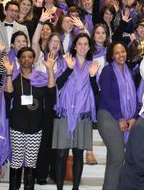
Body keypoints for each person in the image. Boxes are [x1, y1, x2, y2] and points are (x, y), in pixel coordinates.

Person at [0, 47, 66, 190]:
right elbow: (8, 94)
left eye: (30, 57)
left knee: (31, 162)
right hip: (17, 125)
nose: (27, 59)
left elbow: (50, 91)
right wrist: (9, 74)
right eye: (23, 57)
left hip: (36, 126)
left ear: (34, 60)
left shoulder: (40, 77)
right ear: (19, 59)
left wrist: (50, 70)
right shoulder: (15, 77)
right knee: (17, 161)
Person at [52, 34, 100, 190]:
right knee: (61, 155)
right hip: (65, 113)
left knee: (78, 155)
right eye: (80, 43)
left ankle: (75, 188)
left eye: (86, 44)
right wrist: (69, 69)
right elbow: (56, 85)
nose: (82, 47)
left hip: (82, 115)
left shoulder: (92, 65)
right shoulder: (65, 62)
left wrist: (93, 77)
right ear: (74, 46)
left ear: (89, 47)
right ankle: (59, 188)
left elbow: (96, 93)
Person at [98, 41, 138, 190]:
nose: (121, 55)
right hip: (108, 115)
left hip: (126, 117)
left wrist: (133, 116)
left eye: (123, 52)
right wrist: (120, 117)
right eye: (117, 53)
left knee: (114, 158)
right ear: (111, 56)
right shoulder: (108, 71)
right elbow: (106, 97)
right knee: (117, 157)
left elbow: (134, 96)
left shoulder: (130, 72)